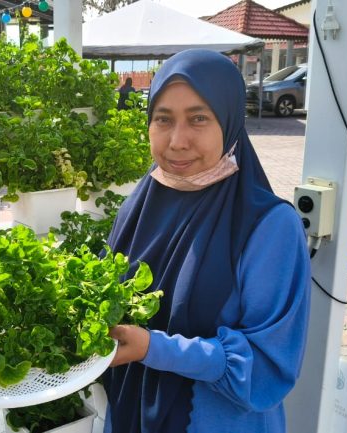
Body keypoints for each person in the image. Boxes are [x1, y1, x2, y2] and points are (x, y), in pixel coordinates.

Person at [103, 49, 311, 432]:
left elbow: (266, 365)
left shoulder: (269, 226)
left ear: (230, 120)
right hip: (131, 413)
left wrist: (154, 348)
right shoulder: (141, 202)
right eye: (163, 119)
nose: (177, 140)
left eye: (199, 118)